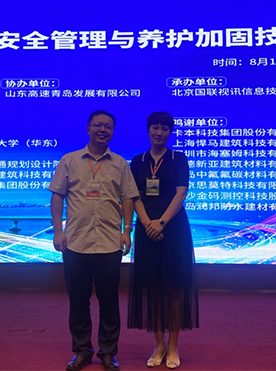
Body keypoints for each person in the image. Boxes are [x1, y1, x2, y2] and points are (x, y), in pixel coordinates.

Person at [49, 110, 139, 371]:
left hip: (109, 243)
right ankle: (82, 351)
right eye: (98, 125)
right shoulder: (70, 160)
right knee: (78, 302)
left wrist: (127, 230)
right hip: (76, 242)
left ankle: (108, 352)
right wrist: (58, 231)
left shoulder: (120, 163)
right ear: (88, 128)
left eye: (108, 126)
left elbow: (128, 198)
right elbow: (57, 195)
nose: (103, 129)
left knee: (109, 302)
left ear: (113, 131)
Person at [127, 112, 199, 369]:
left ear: (170, 132)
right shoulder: (138, 161)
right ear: (148, 130)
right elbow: (134, 196)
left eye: (165, 128)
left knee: (175, 286)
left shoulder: (178, 159)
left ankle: (173, 345)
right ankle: (159, 345)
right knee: (153, 286)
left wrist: (161, 223)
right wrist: (148, 223)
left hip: (174, 228)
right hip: (147, 228)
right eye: (155, 127)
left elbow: (181, 193)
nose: (159, 132)